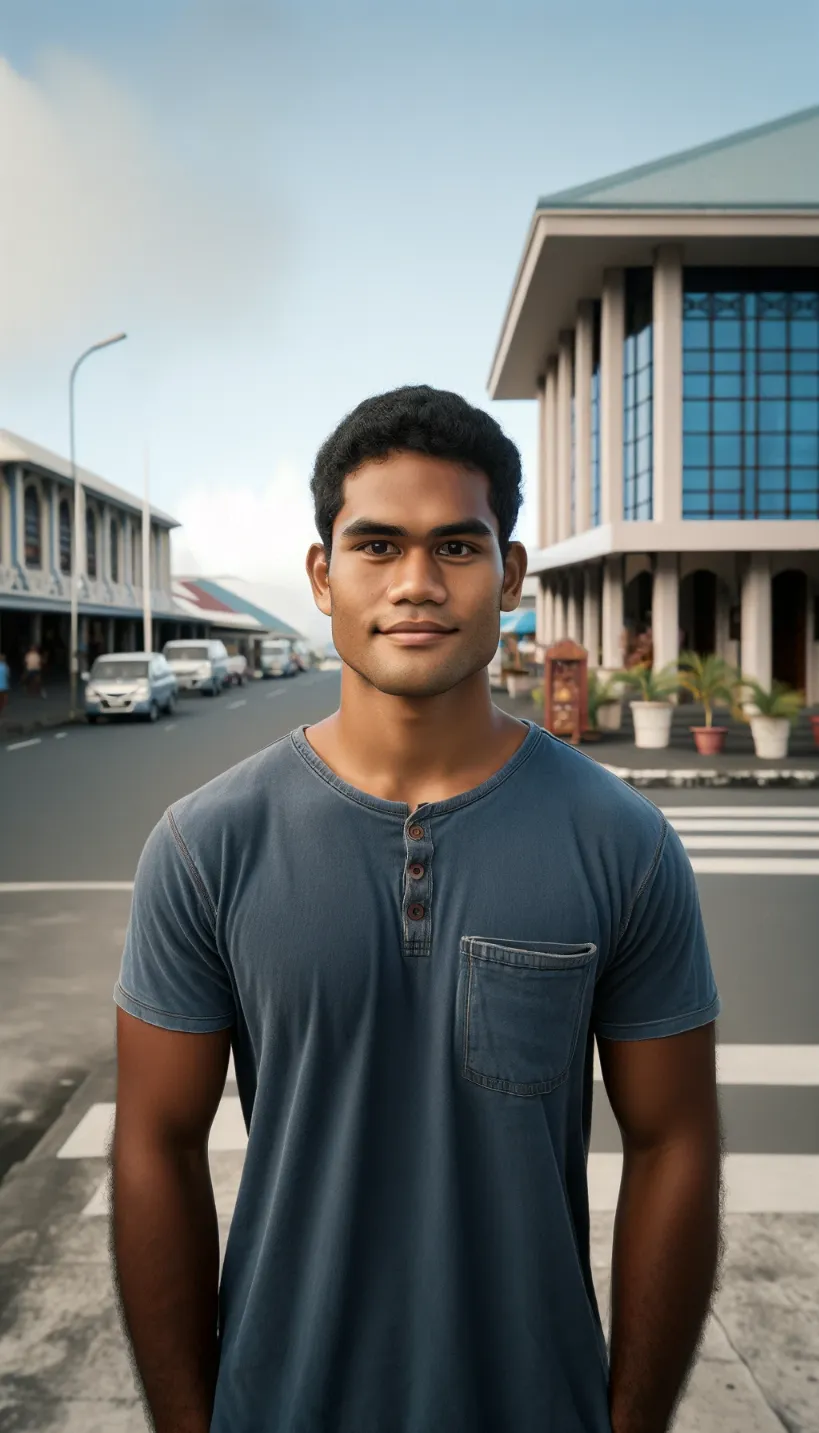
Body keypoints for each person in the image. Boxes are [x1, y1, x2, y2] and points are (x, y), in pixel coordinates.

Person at [111, 386, 723, 1433]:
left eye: (456, 546)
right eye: (377, 544)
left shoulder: (622, 841)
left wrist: (632, 1420)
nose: (415, 584)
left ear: (510, 571)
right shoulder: (205, 845)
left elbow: (675, 1141)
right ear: (323, 575)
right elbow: (154, 1145)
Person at [0, 653, 8, 718]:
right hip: (4, 686)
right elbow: (7, 676)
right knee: (3, 701)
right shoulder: (6, 667)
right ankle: (1, 713)